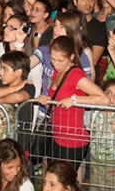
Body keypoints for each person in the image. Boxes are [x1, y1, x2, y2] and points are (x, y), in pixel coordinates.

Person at [37, 36, 109, 170]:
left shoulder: (76, 75)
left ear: (71, 57)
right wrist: (46, 99)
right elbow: (58, 99)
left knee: (63, 181)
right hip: (57, 134)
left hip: (73, 139)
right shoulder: (57, 72)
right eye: (52, 59)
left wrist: (75, 100)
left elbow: (104, 98)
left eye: (60, 60)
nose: (55, 64)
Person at [85, 79, 115, 191]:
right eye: (108, 93)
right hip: (96, 166)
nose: (111, 98)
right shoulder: (95, 113)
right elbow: (86, 127)